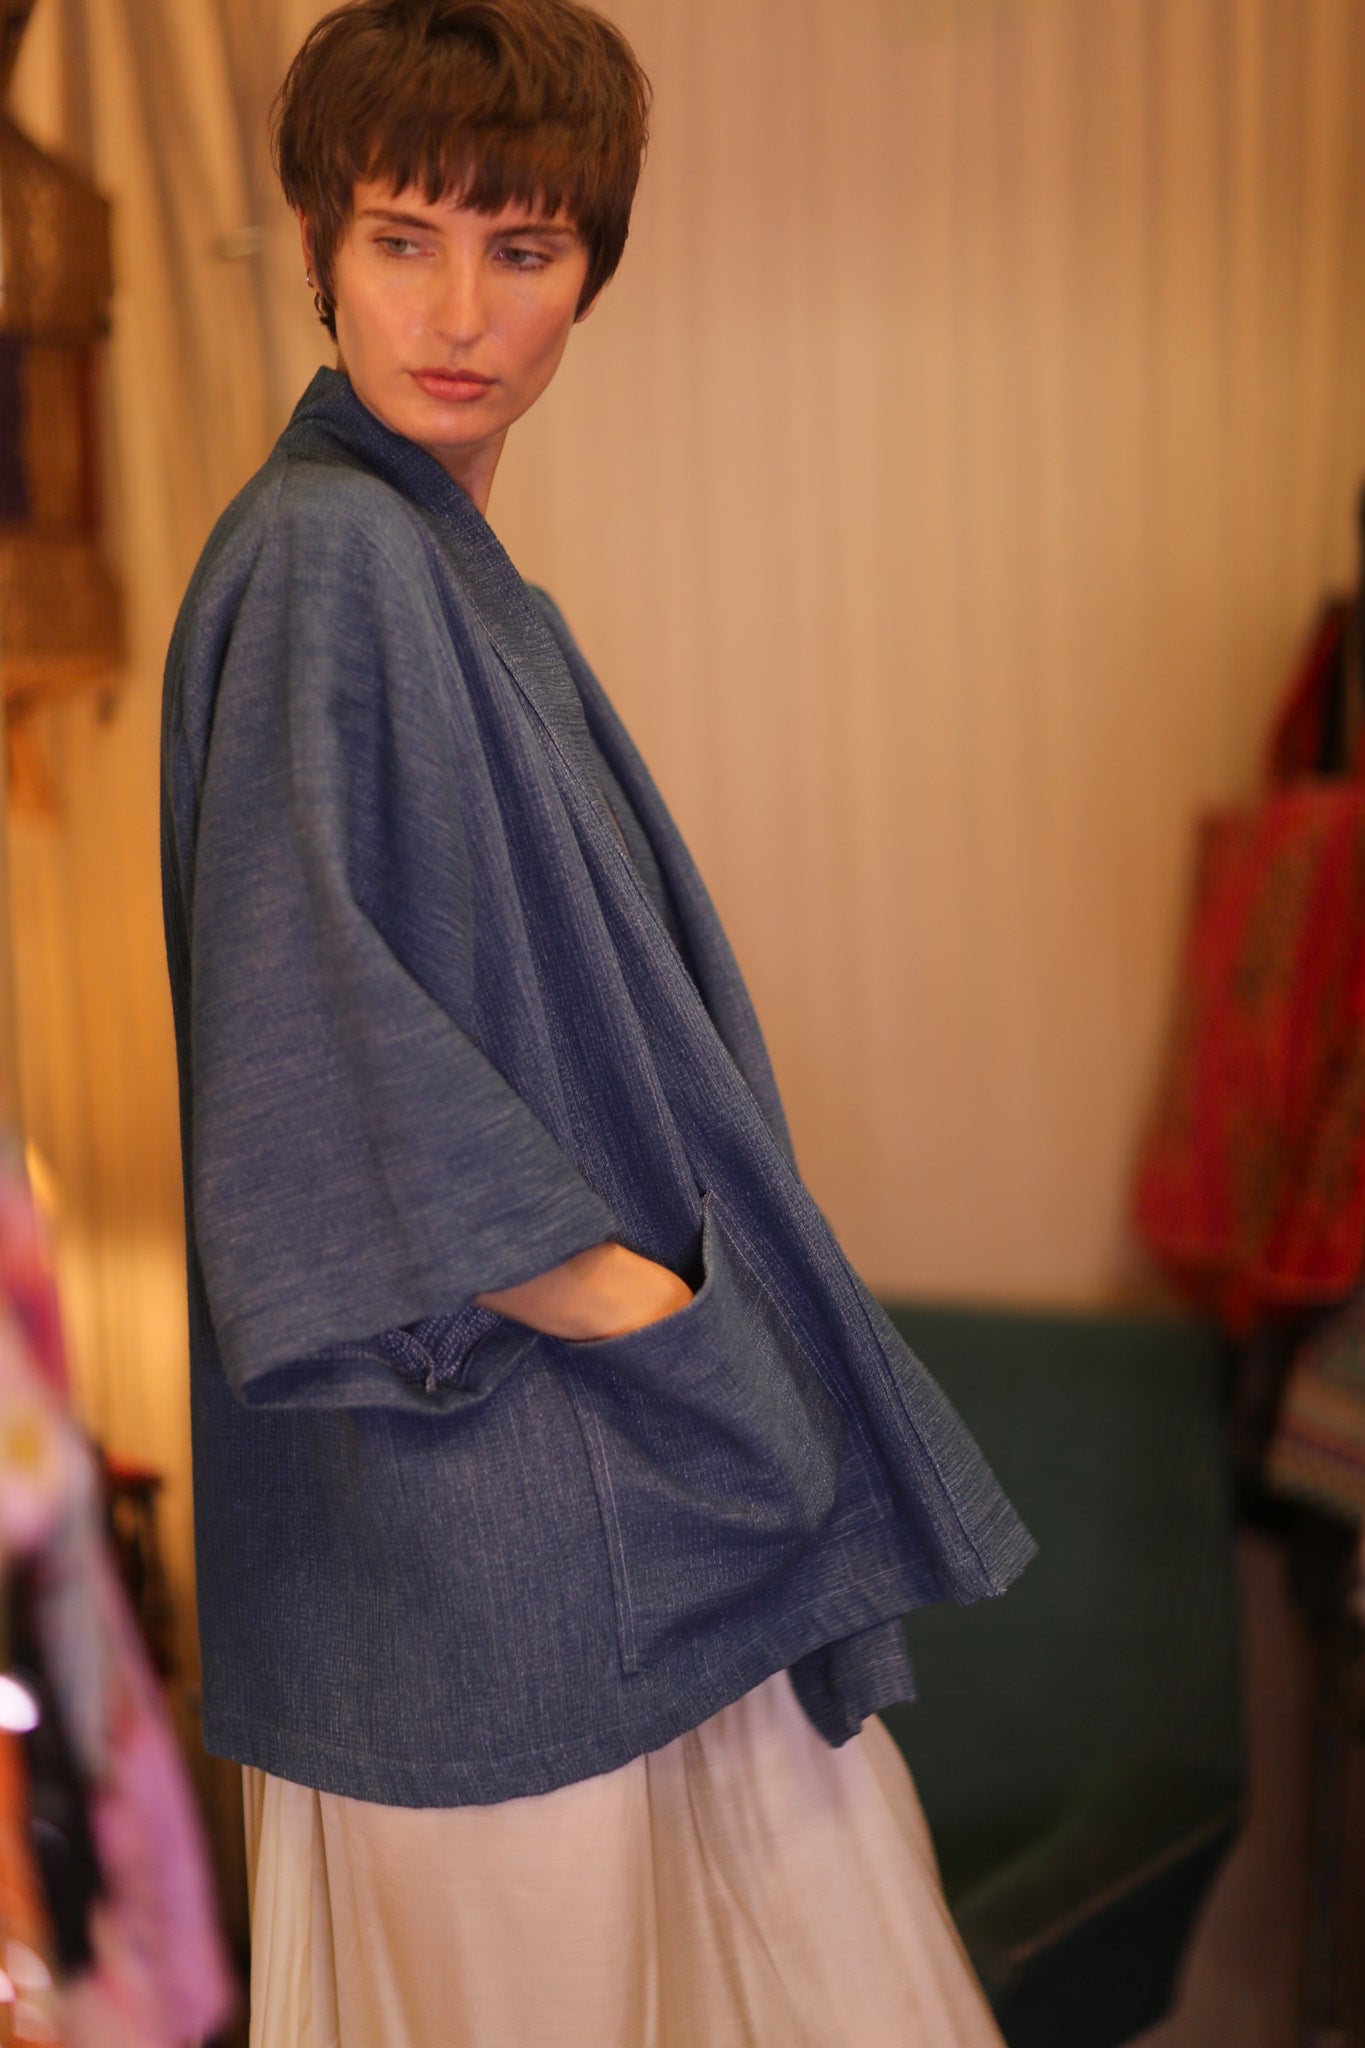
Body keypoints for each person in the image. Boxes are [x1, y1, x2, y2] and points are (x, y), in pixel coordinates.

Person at [160, 2, 1036, 2041]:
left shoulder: (449, 574)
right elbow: (324, 1062)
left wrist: (685, 1368)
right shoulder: (326, 556)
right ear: (319, 245)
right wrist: (663, 1330)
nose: (458, 309)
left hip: (603, 1495)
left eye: (522, 247)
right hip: (493, 1532)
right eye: (402, 238)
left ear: (591, 276)